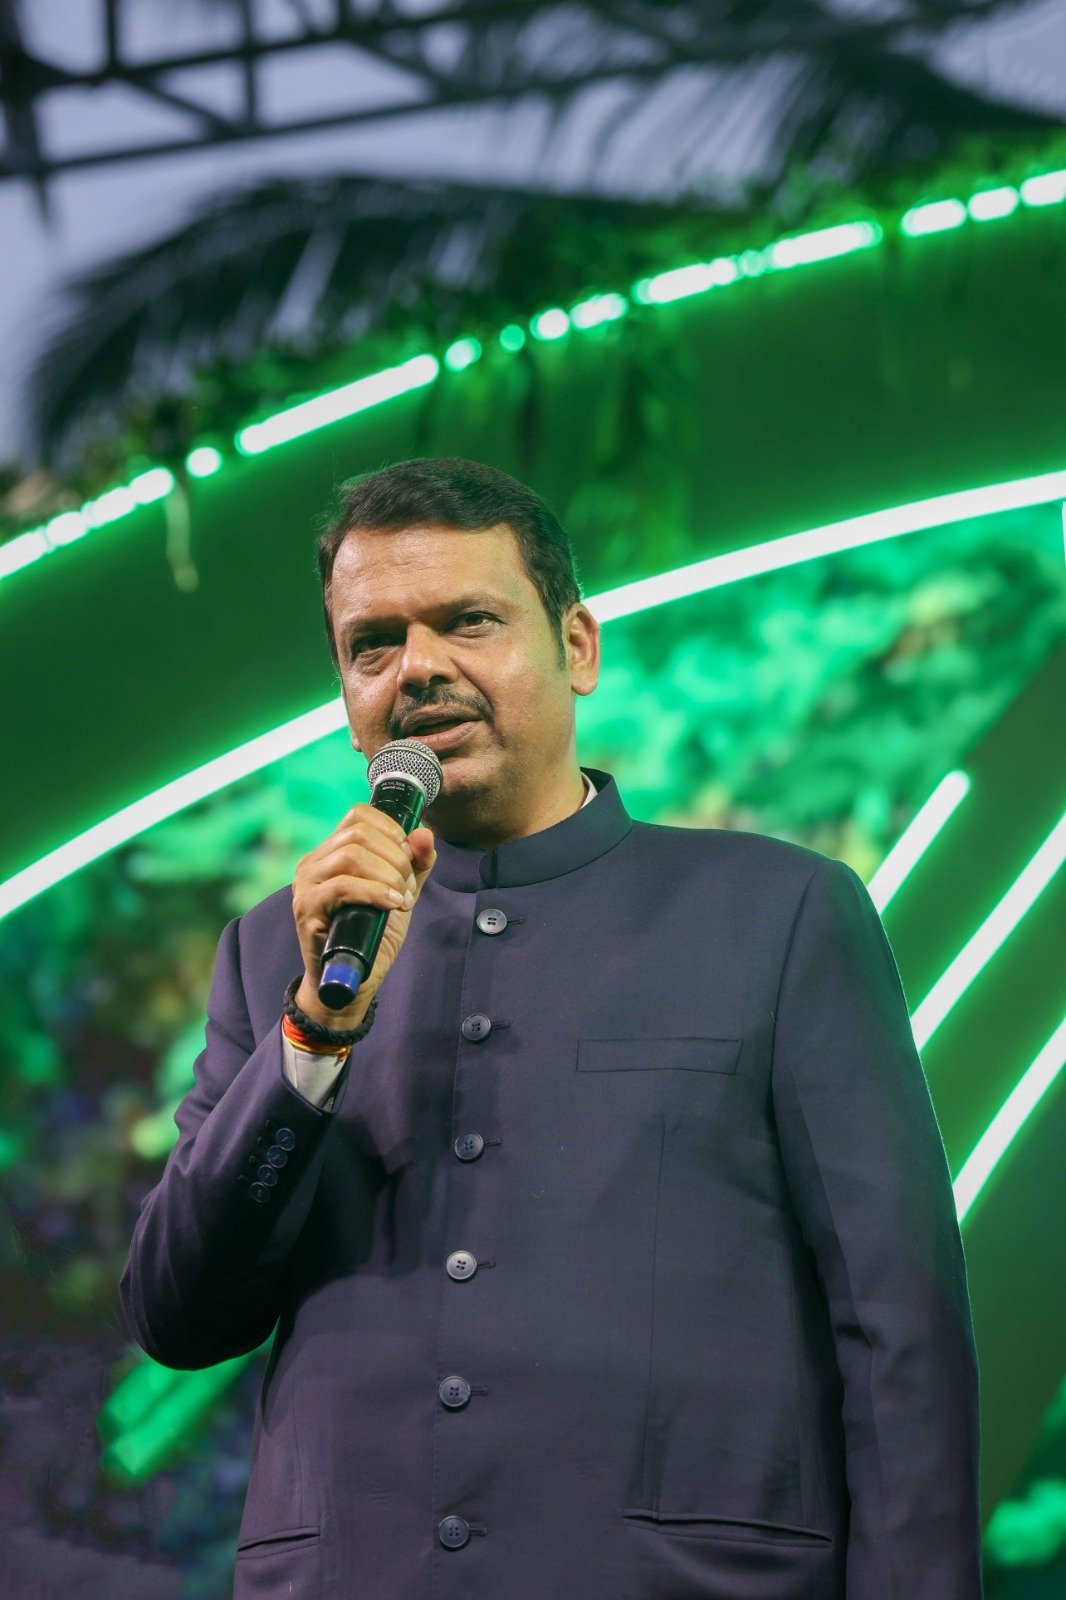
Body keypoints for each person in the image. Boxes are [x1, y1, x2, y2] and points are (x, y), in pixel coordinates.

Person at [119, 456, 983, 1600]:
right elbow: (179, 1312)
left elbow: (898, 1336)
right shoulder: (279, 955)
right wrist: (317, 1033)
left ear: (576, 646)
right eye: (374, 643)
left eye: (467, 621)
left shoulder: (777, 914)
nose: (419, 666)